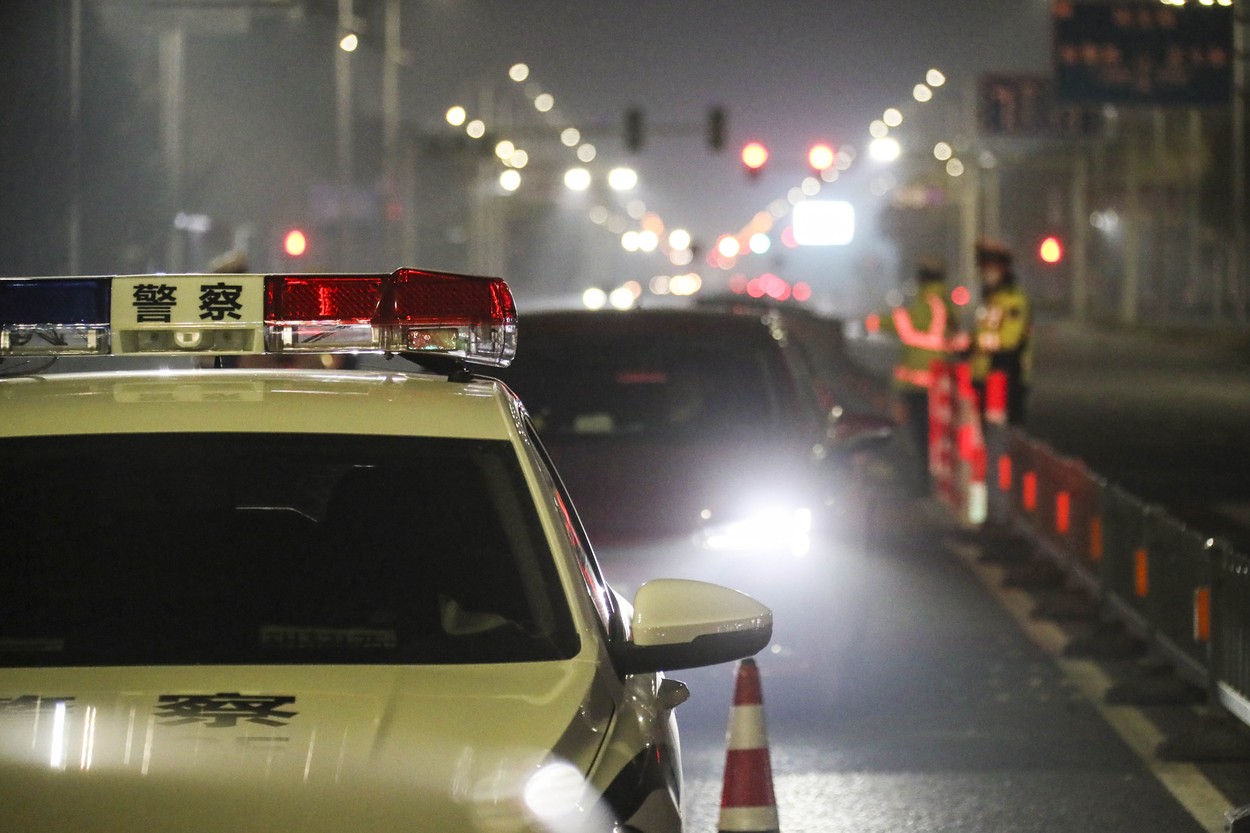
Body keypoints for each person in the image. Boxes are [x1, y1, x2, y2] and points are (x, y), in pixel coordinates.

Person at [870, 258, 960, 491]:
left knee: (922, 437)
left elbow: (905, 324)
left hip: (920, 384)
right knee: (934, 436)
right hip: (936, 380)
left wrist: (876, 322)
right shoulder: (944, 303)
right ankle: (932, 482)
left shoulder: (927, 303)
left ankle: (924, 484)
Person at [969, 238, 1032, 424]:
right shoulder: (991, 299)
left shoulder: (1013, 299)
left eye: (990, 267)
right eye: (983, 267)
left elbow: (1009, 340)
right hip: (984, 375)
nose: (985, 273)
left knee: (999, 432)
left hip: (1005, 376)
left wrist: (975, 342)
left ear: (1003, 269)